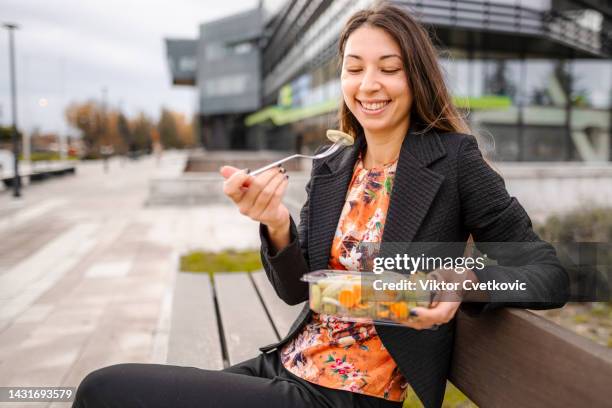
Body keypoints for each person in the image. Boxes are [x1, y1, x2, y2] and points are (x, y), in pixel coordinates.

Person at [71, 2, 568, 407]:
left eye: (388, 69)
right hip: (290, 363)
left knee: (104, 390)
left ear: (415, 77)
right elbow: (296, 291)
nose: (368, 84)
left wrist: (464, 281)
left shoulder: (453, 160)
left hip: (348, 394)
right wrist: (276, 224)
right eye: (354, 69)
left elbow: (548, 270)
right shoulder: (333, 164)